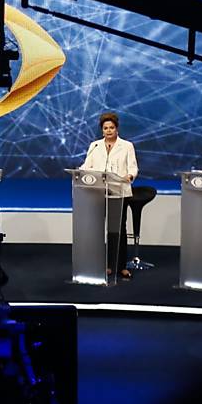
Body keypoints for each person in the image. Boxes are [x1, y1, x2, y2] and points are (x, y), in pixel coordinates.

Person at [80, 112, 138, 280]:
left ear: (117, 128)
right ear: (102, 130)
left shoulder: (127, 146)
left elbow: (133, 168)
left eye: (111, 127)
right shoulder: (95, 146)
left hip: (119, 193)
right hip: (99, 192)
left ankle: (120, 266)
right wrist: (81, 172)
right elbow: (87, 165)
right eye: (105, 128)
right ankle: (104, 264)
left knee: (118, 230)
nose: (108, 131)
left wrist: (129, 176)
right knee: (99, 228)